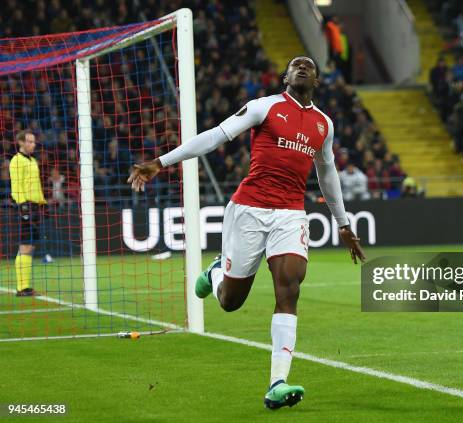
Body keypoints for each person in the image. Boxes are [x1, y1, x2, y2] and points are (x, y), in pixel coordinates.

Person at [128, 56, 366, 410]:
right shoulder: (264, 107)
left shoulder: (323, 125)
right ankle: (215, 272)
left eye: (309, 66)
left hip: (290, 215)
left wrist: (343, 224)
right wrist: (161, 162)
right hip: (249, 210)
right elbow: (215, 136)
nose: (302, 68)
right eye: (295, 65)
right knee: (229, 301)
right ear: (285, 76)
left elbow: (327, 175)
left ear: (316, 79)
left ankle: (277, 383)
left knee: (290, 286)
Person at [9, 131, 47, 296]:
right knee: (25, 246)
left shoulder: (32, 160)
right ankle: (22, 288)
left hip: (35, 207)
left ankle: (24, 286)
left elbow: (35, 185)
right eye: (30, 142)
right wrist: (23, 208)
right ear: (21, 143)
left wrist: (42, 203)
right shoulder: (16, 160)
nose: (34, 144)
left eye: (34, 142)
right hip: (25, 207)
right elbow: (16, 186)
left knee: (29, 246)